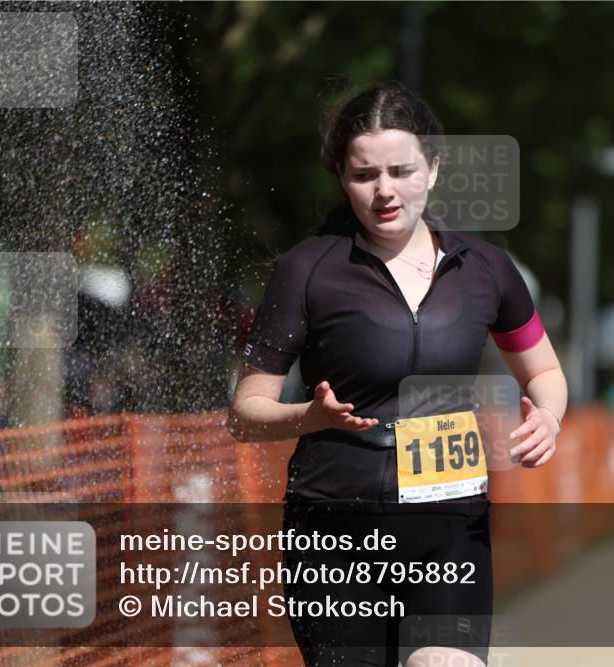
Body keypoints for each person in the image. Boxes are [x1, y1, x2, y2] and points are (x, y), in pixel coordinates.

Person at [227, 81, 567, 667]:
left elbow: (545, 370)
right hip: (334, 524)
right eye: (364, 175)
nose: (384, 190)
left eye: (401, 170)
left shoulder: (484, 268)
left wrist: (550, 418)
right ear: (341, 176)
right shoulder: (308, 269)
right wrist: (307, 416)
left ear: (433, 169)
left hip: (448, 519)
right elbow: (244, 412)